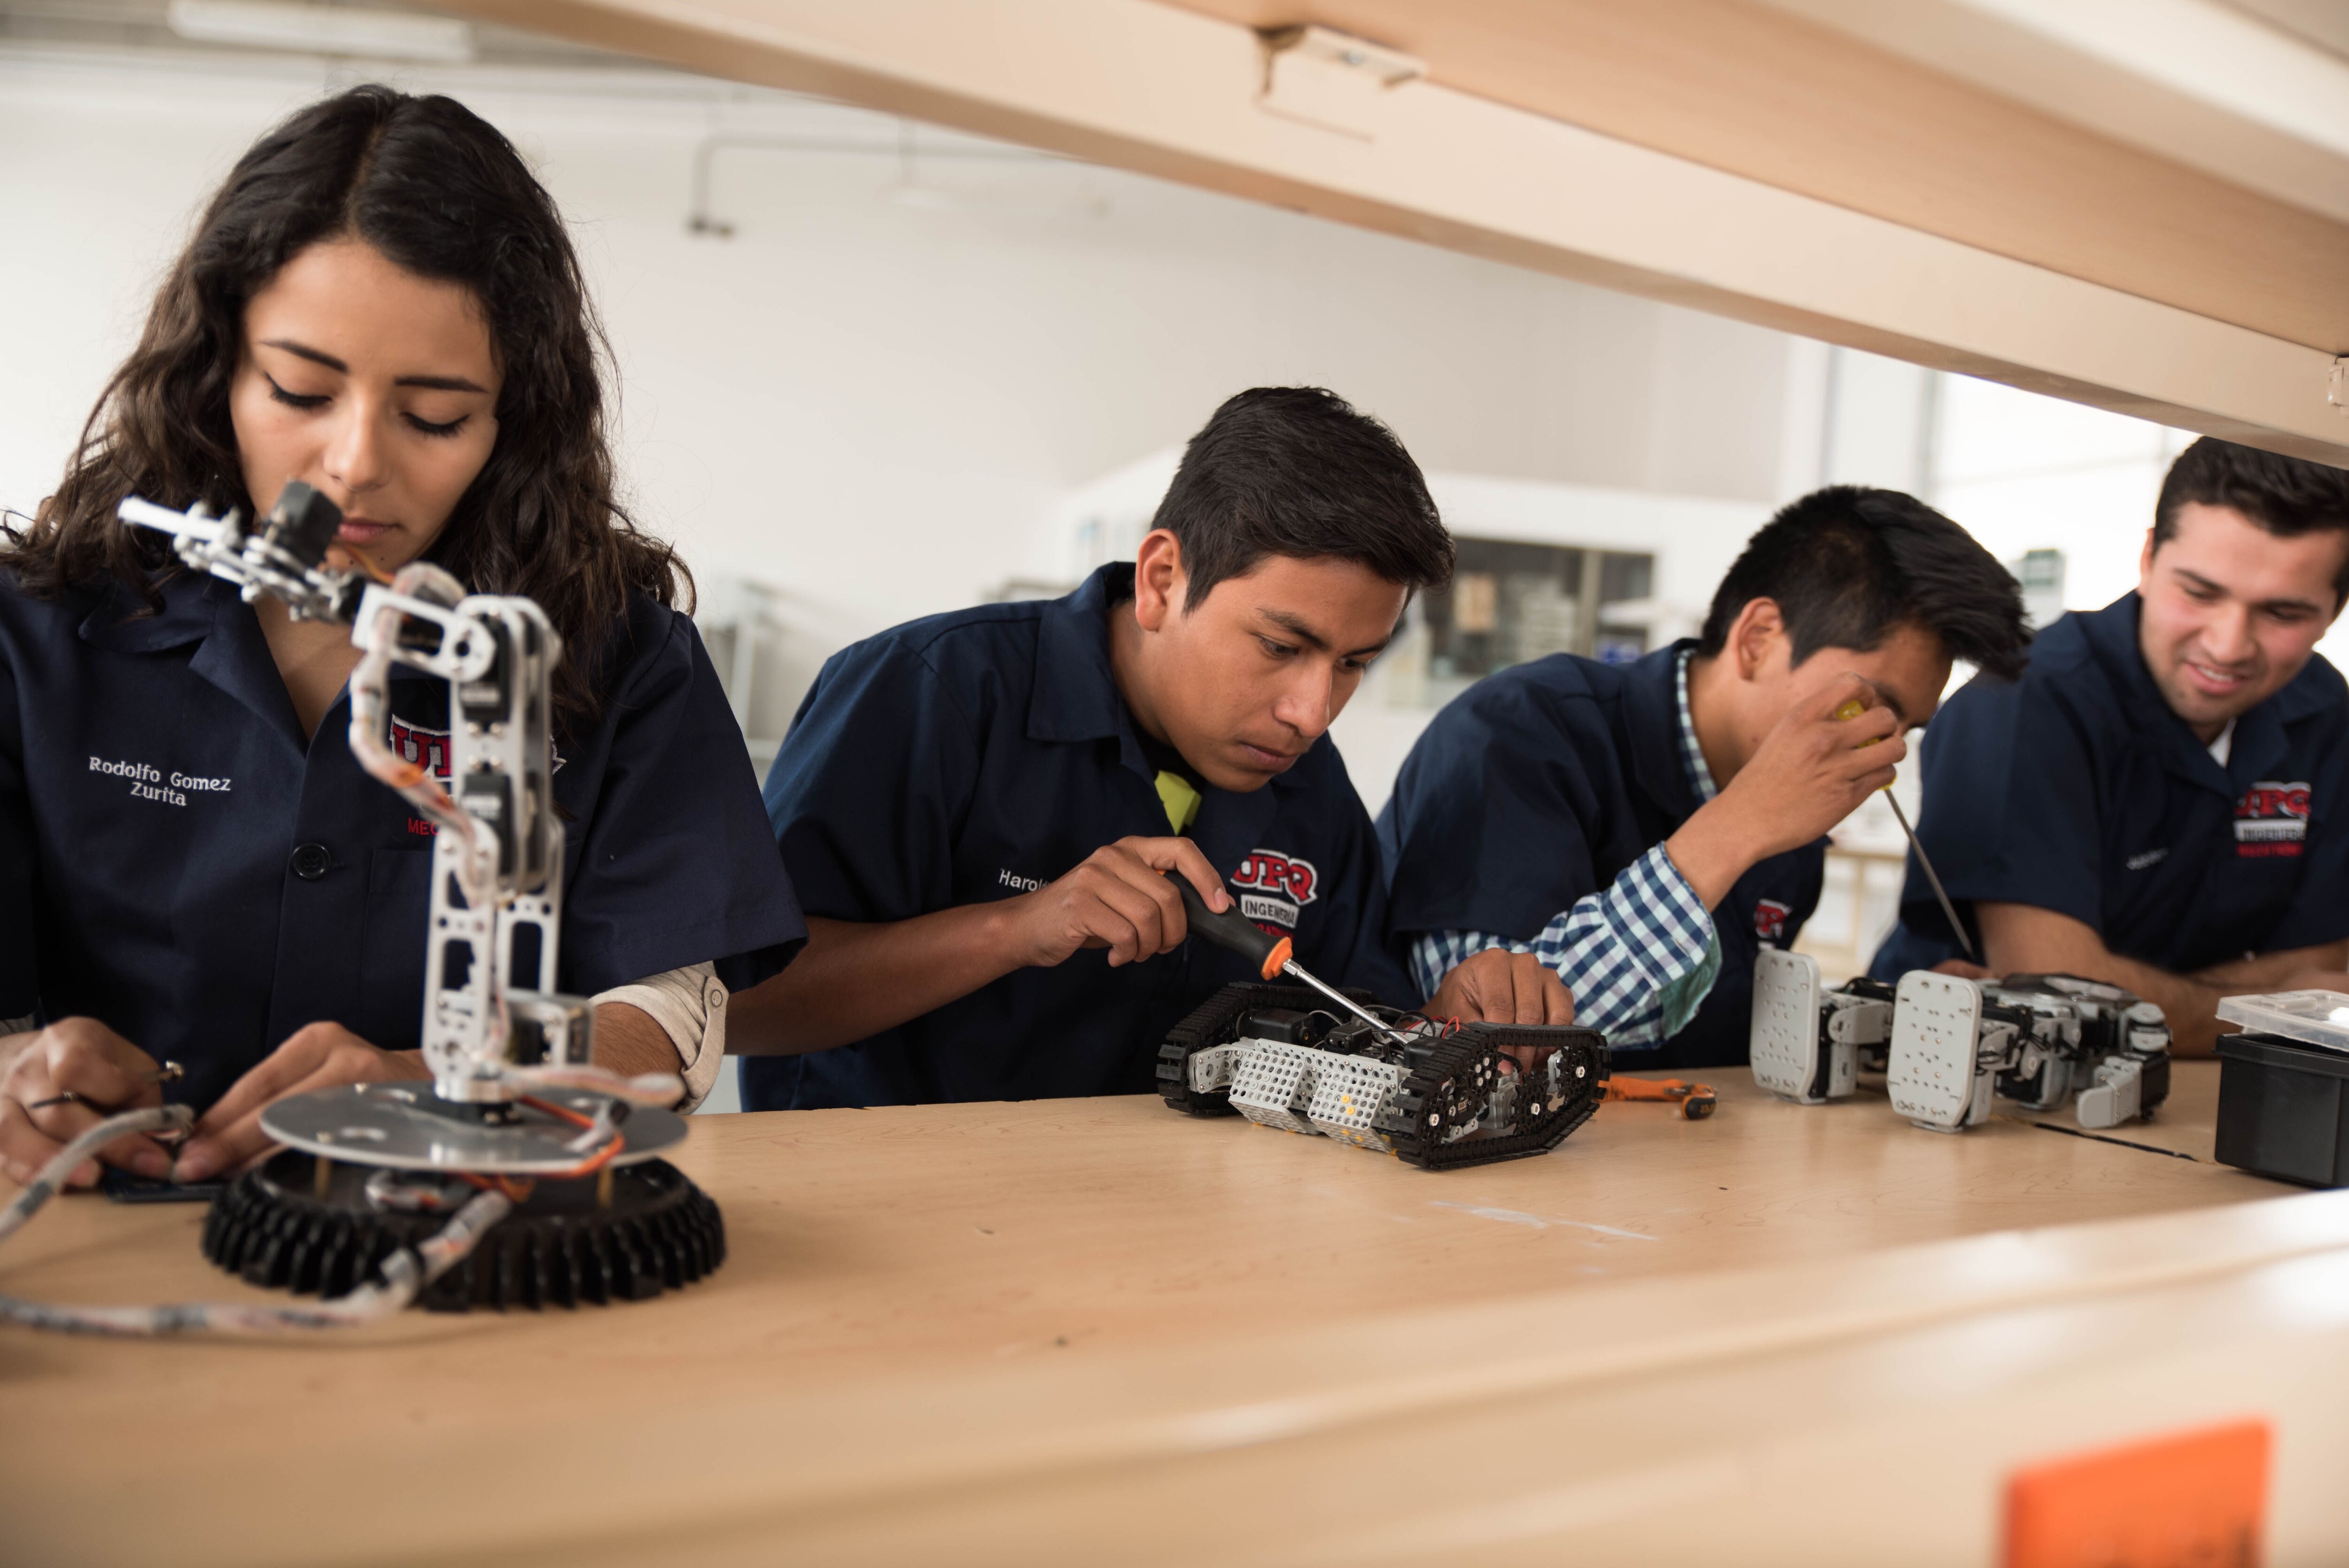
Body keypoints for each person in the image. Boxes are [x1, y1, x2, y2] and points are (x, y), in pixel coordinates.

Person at [0, 87, 805, 1190]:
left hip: (444, 1217)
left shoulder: (610, 659)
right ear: (215, 371)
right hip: (98, 1220)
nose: (353, 463)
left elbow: (663, 1020)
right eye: (298, 389)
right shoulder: (36, 632)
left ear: (513, 420)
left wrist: (428, 1079)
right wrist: (19, 1077)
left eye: (434, 416)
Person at [730, 387, 1568, 1110]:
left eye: (1353, 665)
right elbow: (736, 1007)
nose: (1312, 713)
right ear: (1164, 578)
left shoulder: (1311, 787)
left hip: (1165, 1242)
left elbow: (1345, 1032)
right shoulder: (933, 692)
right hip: (884, 1227)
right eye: (1281, 646)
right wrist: (1016, 928)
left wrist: (1438, 1026)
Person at [1381, 486, 2032, 1069]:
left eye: (1904, 731)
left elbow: (1725, 1036)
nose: (1879, 751)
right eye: (1870, 708)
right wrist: (1738, 827)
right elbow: (1482, 1040)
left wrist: (1890, 1025)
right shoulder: (1519, 733)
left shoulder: (1796, 837)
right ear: (1757, 637)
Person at [1869, 439, 2349, 1053]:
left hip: (2194, 1097)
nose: (2228, 645)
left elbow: (2324, 969)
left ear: (2333, 612)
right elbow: (2058, 994)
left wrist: (2118, 998)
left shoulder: (2319, 706)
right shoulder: (2024, 702)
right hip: (1966, 1082)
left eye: (2282, 613)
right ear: (2148, 558)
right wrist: (2273, 1005)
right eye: (2199, 593)